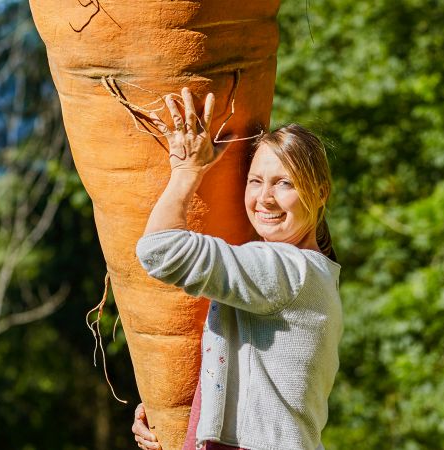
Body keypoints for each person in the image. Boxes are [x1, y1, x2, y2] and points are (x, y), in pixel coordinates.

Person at [132, 87, 342, 450]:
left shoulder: (288, 270)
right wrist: (173, 418)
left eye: (284, 183)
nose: (265, 198)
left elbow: (159, 249)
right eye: (255, 181)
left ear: (320, 193)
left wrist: (185, 171)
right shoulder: (311, 273)